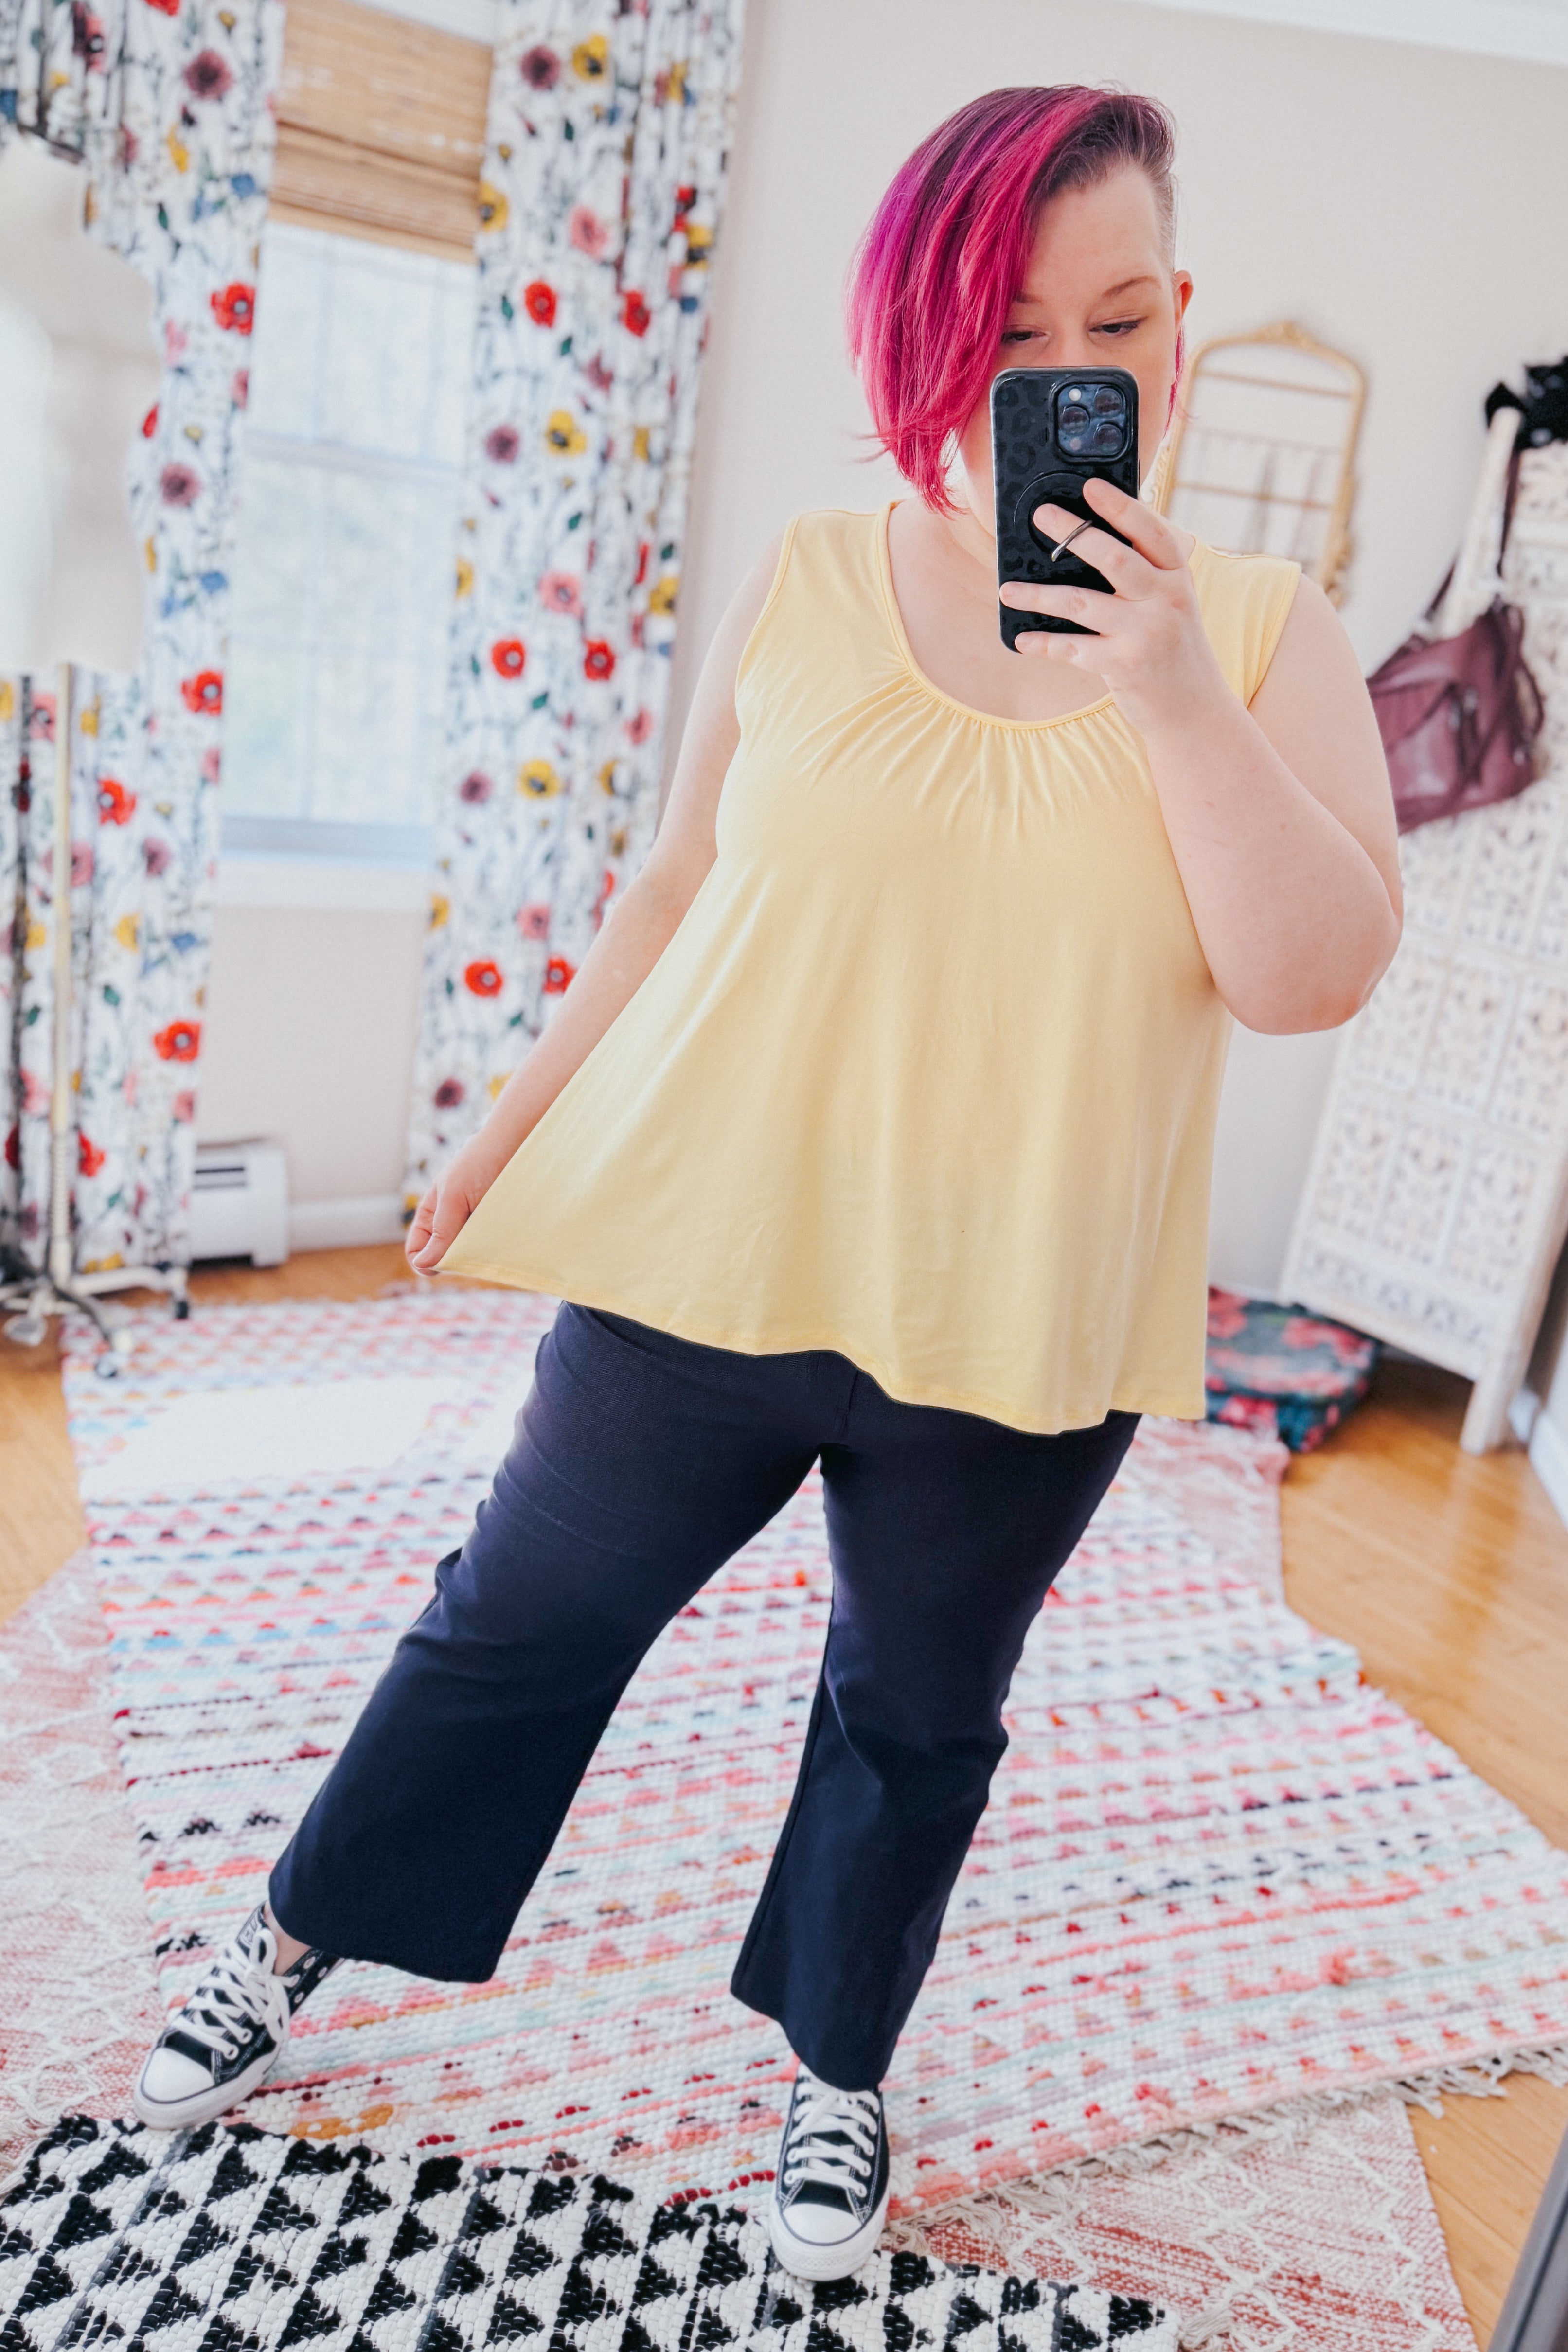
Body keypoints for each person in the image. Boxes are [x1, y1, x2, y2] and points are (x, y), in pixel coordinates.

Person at [133, 84, 1400, 2281]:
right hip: (710, 1253)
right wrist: (503, 1120)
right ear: (923, 337)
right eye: (1004, 334)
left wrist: (1173, 688)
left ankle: (835, 2066)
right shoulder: (816, 580)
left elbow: (1312, 975)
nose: (1059, 377)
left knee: (913, 1716)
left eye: (1108, 321)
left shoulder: (1268, 632)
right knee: (514, 1623)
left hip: (1016, 1313)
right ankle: (297, 1930)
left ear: (1175, 330)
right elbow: (665, 887)